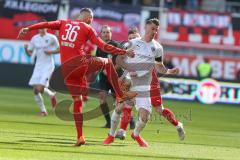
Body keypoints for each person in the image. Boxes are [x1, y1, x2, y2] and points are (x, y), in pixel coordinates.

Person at [18, 8, 137, 146]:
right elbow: (104, 46)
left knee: (77, 101)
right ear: (87, 18)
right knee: (108, 62)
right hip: (80, 64)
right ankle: (120, 95)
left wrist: (28, 28)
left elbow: (47, 24)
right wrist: (124, 51)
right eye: (91, 19)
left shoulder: (63, 23)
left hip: (66, 71)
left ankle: (80, 136)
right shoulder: (87, 27)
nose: (91, 22)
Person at [103, 18, 185, 147]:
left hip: (144, 85)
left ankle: (135, 134)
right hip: (130, 82)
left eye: (156, 30)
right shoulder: (132, 43)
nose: (154, 32)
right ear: (146, 27)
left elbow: (159, 66)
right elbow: (119, 60)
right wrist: (129, 69)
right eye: (152, 29)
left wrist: (169, 71)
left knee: (145, 117)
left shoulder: (157, 48)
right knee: (119, 108)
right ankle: (111, 136)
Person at [24, 28, 59, 116]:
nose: (41, 30)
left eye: (43, 28)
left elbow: (59, 49)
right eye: (40, 28)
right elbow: (30, 54)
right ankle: (44, 110)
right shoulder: (35, 38)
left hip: (48, 66)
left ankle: (51, 95)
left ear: (46, 28)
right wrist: (25, 49)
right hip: (38, 67)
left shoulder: (52, 38)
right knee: (35, 90)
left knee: (39, 89)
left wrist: (50, 52)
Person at [95, 25, 119, 128]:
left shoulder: (116, 45)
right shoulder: (99, 46)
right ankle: (108, 122)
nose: (106, 34)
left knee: (119, 101)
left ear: (111, 33)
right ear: (101, 34)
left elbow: (121, 62)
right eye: (104, 32)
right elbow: (97, 61)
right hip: (103, 78)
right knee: (102, 99)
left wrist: (110, 70)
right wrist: (102, 70)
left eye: (108, 32)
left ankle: (129, 121)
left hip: (115, 77)